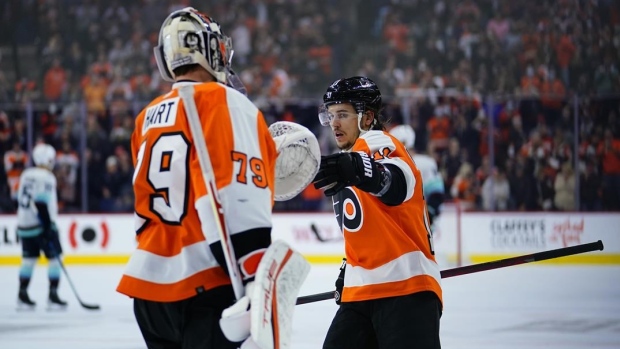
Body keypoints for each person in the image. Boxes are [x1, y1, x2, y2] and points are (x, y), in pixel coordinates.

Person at [116, 7, 277, 349]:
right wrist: (256, 279)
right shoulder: (227, 102)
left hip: (148, 292)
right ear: (211, 48)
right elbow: (228, 197)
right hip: (204, 284)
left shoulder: (146, 117)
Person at [313, 76, 443, 349]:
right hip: (360, 293)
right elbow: (371, 227)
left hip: (406, 288)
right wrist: (349, 270)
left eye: (343, 114)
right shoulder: (345, 161)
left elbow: (395, 183)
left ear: (367, 117)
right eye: (331, 115)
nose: (334, 123)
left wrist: (363, 171)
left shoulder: (375, 142)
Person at [16, 142, 67, 309]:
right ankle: (53, 296)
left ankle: (22, 295)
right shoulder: (46, 177)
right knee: (55, 259)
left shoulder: (26, 174)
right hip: (40, 225)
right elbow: (41, 202)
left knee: (28, 259)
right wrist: (47, 227)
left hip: (24, 224)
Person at [389, 124, 446, 226]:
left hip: (416, 224)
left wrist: (427, 218)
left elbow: (436, 195)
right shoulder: (394, 163)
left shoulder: (423, 163)